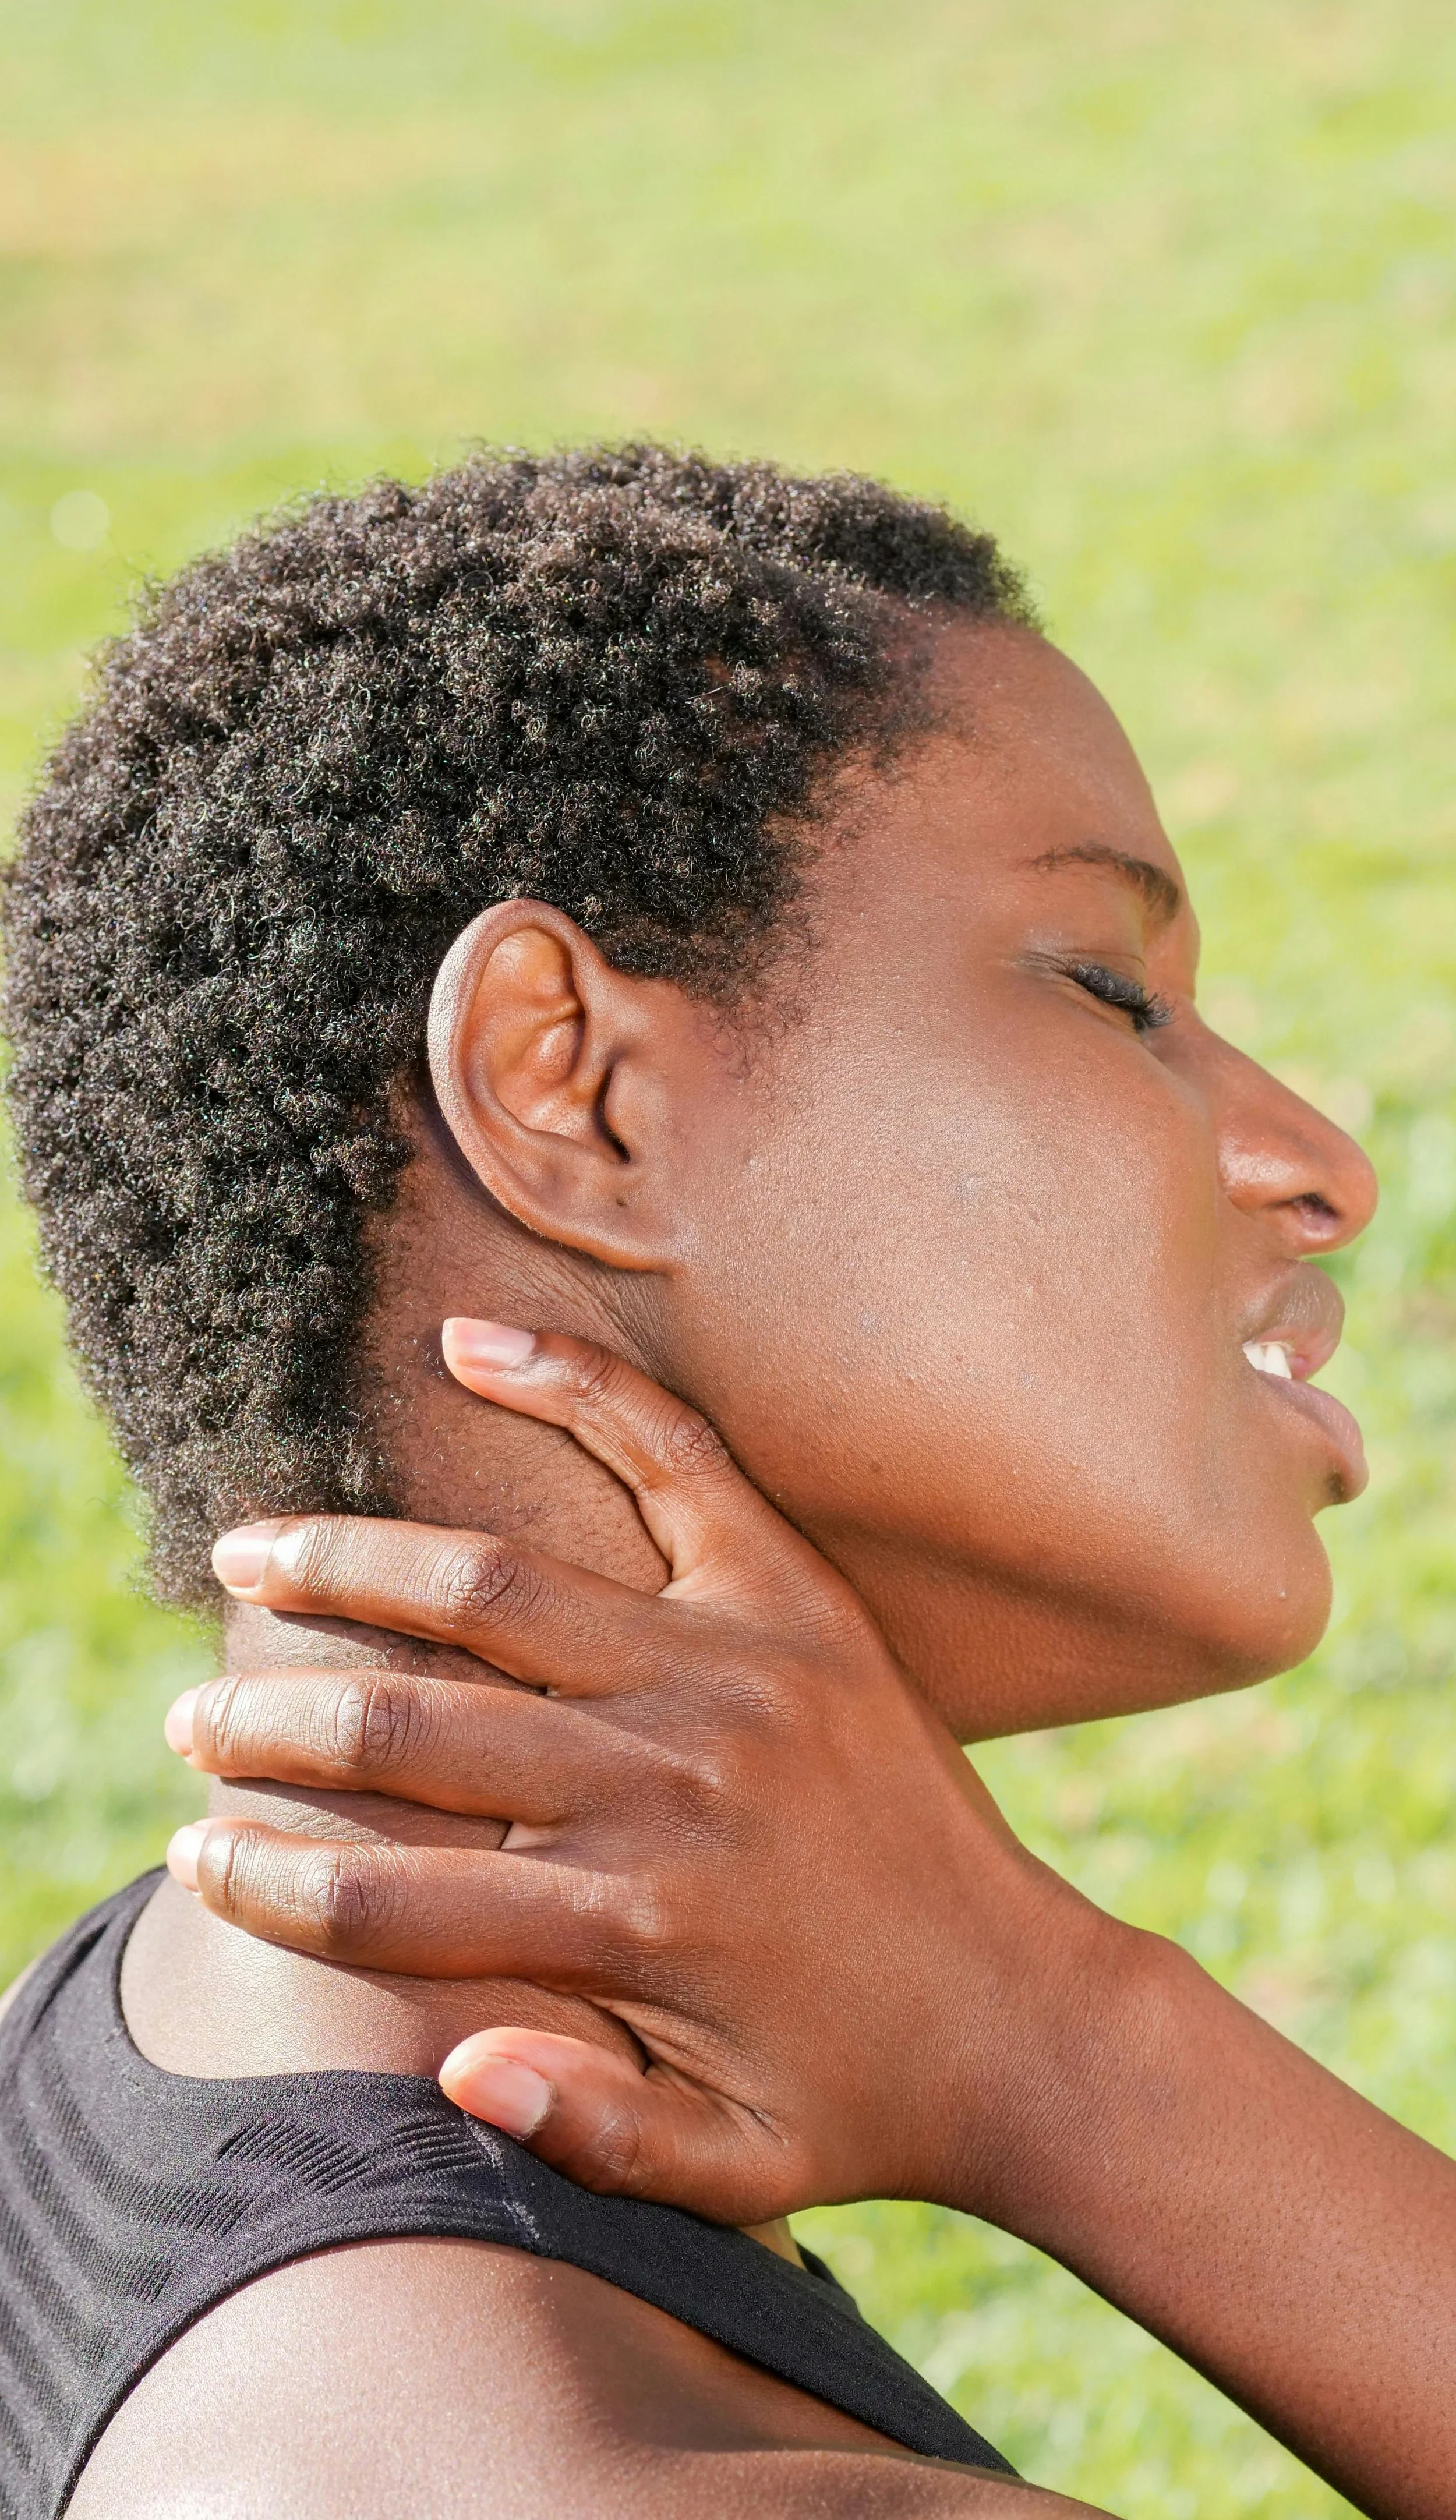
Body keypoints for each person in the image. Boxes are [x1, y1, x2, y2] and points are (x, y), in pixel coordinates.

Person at [0, 443, 1446, 2519]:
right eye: (1107, 988)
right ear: (567, 1088)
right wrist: (1063, 2047)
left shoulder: (143, 2058)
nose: (1318, 1158)